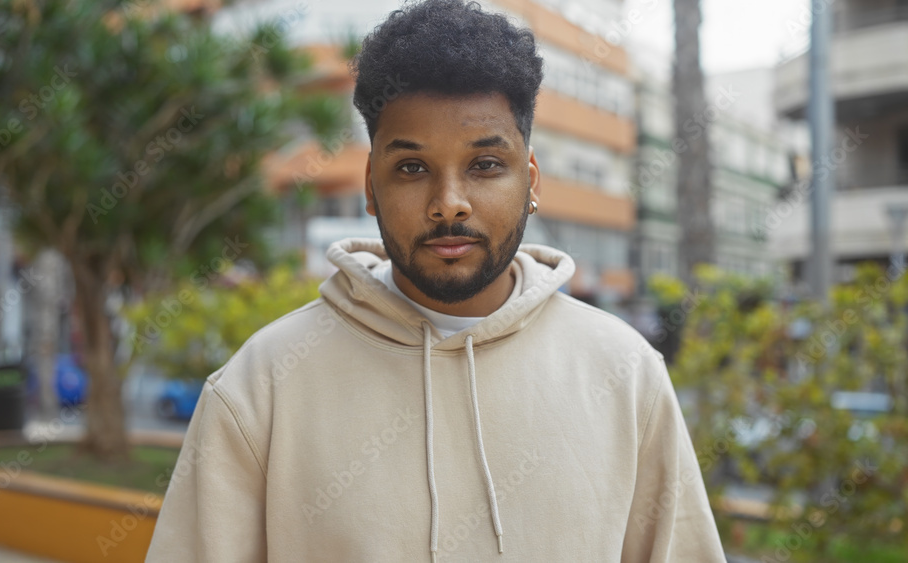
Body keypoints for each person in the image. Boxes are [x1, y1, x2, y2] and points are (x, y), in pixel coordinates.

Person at [146, 1, 727, 561]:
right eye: (412, 168)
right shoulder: (261, 385)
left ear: (531, 182)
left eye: (484, 165)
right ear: (371, 188)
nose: (449, 205)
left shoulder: (624, 374)